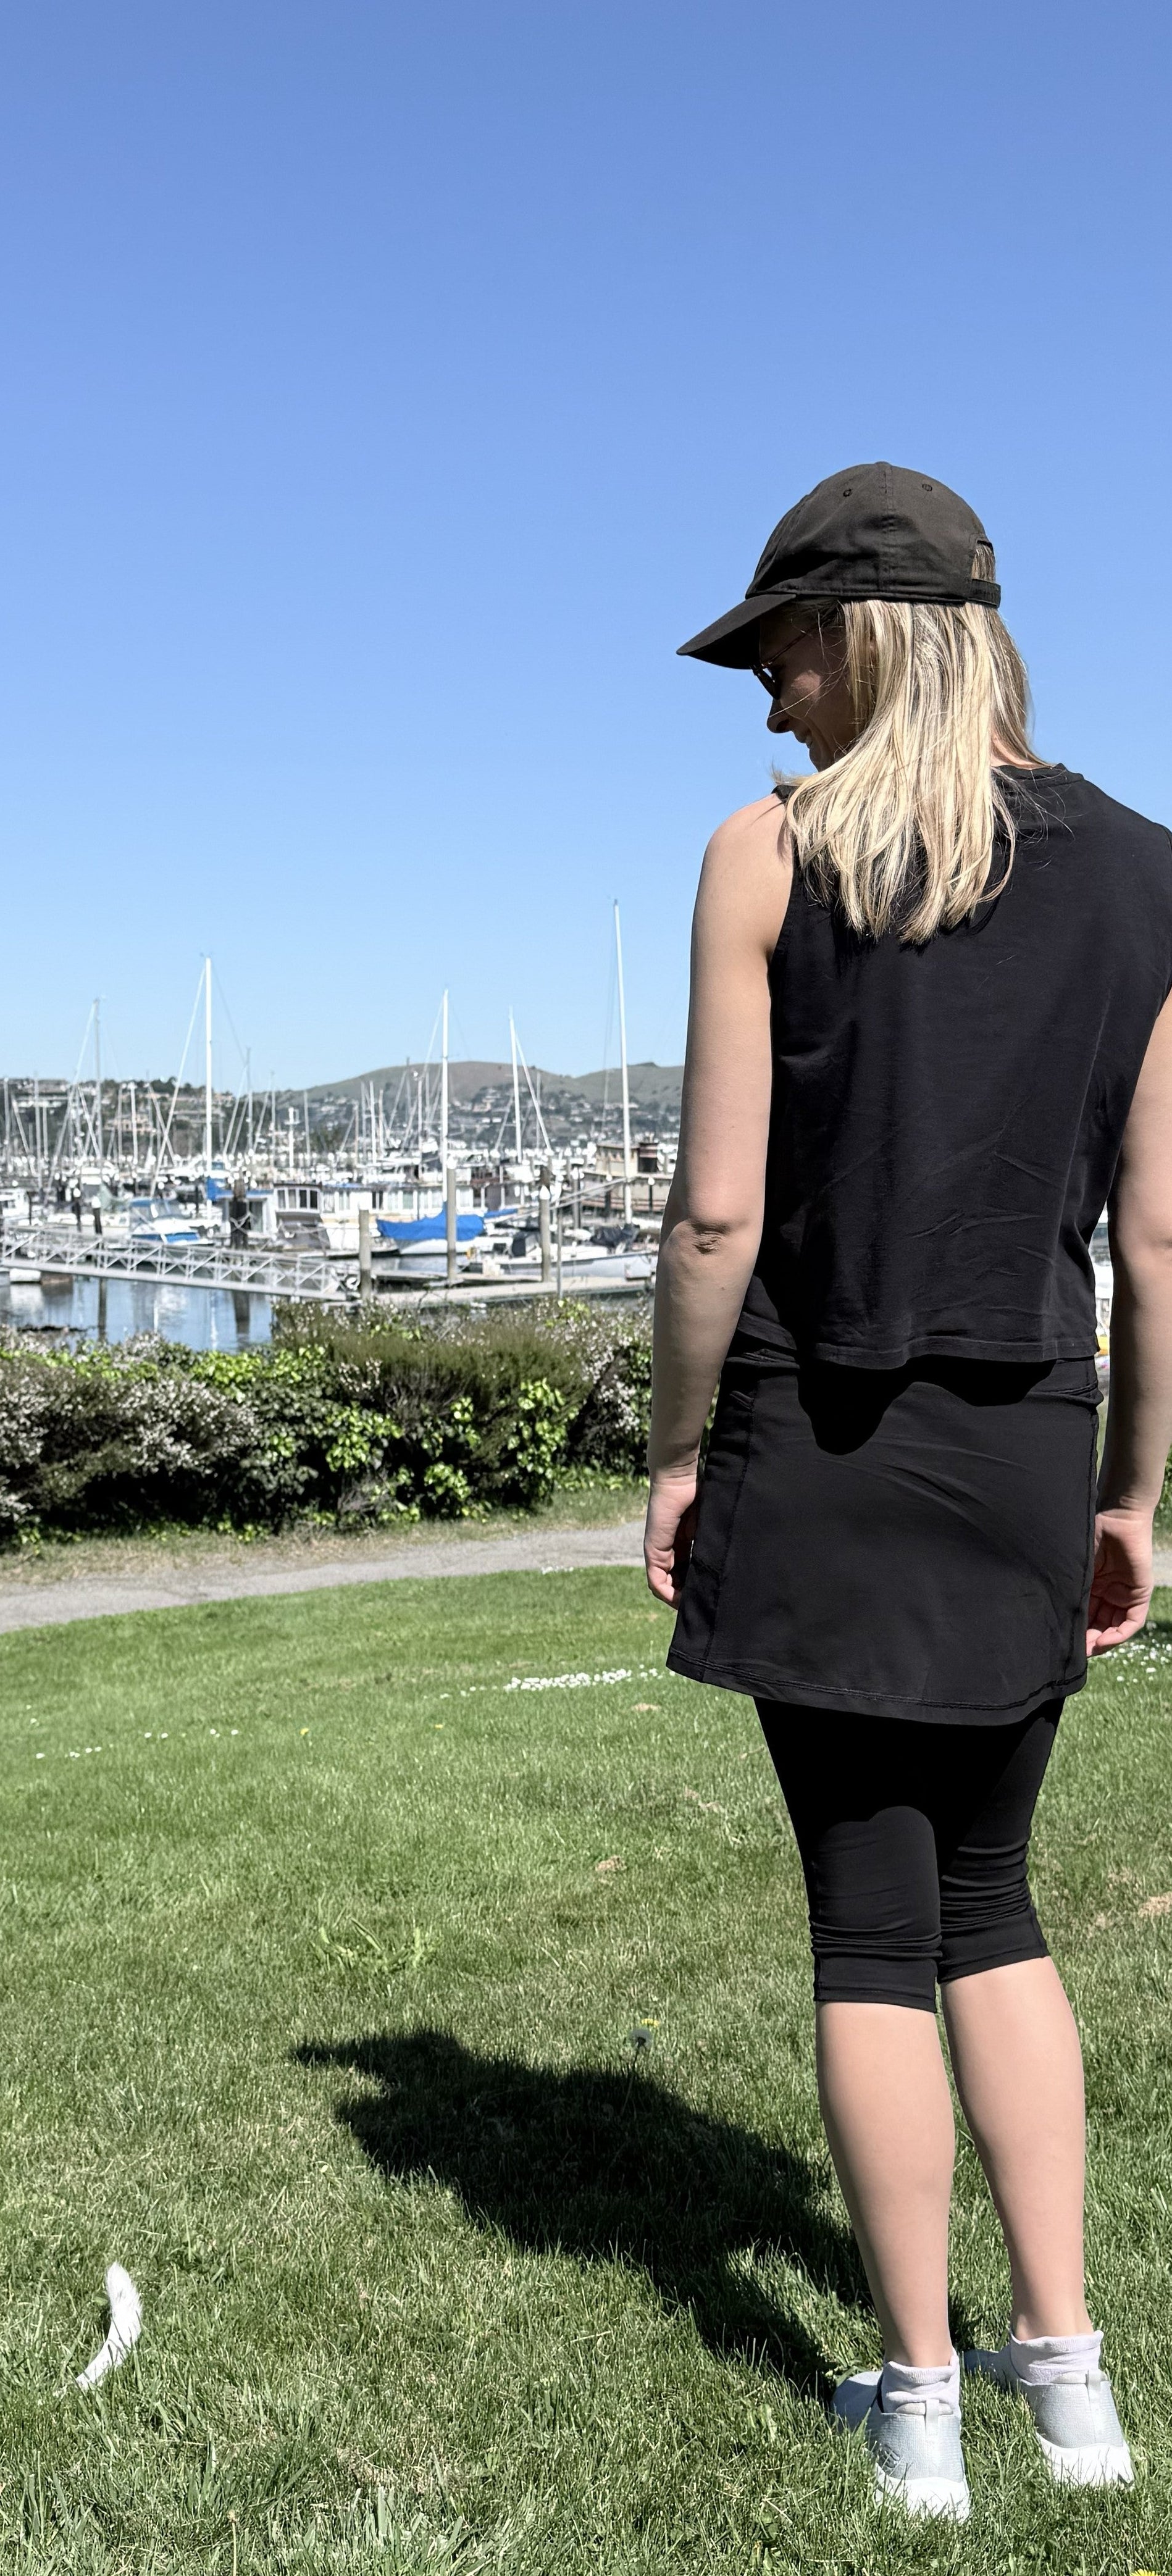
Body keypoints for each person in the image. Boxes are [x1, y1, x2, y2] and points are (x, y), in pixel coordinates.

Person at [649, 462, 1172, 2520]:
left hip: (817, 1437)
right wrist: (1135, 1492)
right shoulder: (1145, 876)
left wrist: (678, 1452)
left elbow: (711, 1219)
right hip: (1030, 1444)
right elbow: (1157, 1243)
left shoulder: (761, 862)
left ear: (859, 631)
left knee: (868, 1930)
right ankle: (1074, 2384)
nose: (766, 697)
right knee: (995, 1905)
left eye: (779, 647)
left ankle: (919, 2406)